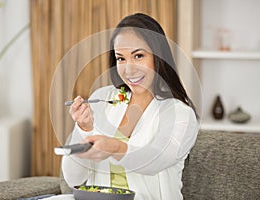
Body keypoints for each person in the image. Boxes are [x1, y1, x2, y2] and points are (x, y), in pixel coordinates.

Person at [62, 13, 199, 200]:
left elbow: (155, 160)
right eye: (121, 58)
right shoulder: (102, 98)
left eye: (138, 56)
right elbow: (72, 178)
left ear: (159, 56)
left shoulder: (180, 114)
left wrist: (114, 147)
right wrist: (83, 129)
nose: (129, 69)